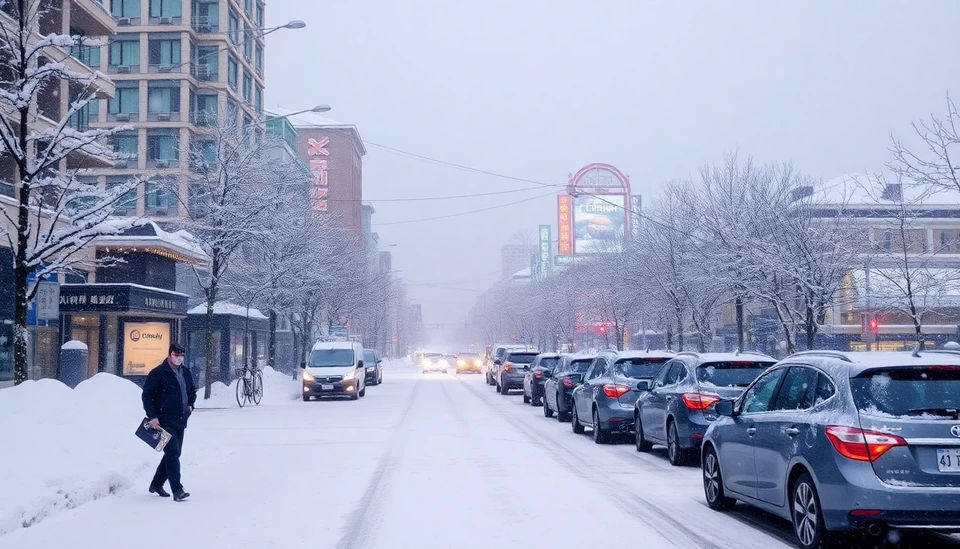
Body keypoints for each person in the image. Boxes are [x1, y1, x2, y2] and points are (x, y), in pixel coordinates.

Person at [142, 343, 196, 502]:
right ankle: (177, 490)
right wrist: (152, 416)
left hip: (181, 418)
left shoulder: (185, 372)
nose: (179, 358)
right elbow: (147, 396)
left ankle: (156, 484)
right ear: (169, 354)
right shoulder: (158, 373)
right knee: (172, 452)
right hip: (164, 420)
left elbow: (191, 392)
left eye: (181, 355)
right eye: (176, 354)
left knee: (175, 453)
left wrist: (190, 406)